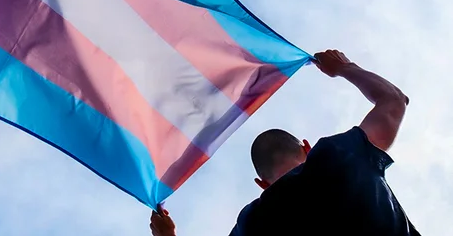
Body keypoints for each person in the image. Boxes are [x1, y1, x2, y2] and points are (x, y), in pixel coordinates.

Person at [150, 50, 419, 235]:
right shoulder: (339, 154)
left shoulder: (253, 223)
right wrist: (345, 68)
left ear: (262, 185)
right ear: (307, 147)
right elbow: (394, 101)